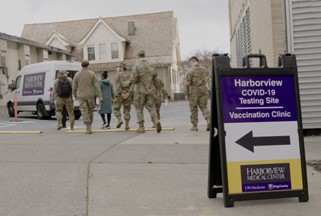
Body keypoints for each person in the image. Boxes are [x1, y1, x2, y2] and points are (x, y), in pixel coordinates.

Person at [131, 50, 161, 133]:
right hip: (150, 90)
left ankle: (141, 127)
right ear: (144, 56)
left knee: (139, 108)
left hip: (140, 91)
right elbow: (156, 79)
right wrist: (157, 90)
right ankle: (156, 121)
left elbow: (133, 79)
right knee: (152, 108)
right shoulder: (150, 66)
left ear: (138, 56)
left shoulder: (136, 66)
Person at [72, 60, 102, 134]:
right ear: (88, 65)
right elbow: (96, 85)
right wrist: (100, 95)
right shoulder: (92, 74)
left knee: (84, 111)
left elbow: (74, 86)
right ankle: (90, 127)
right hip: (90, 95)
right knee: (90, 111)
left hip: (81, 96)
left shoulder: (77, 74)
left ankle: (88, 127)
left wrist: (74, 94)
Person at [184, 56, 210, 131]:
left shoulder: (190, 71)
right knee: (204, 107)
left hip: (194, 93)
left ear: (191, 61)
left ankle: (194, 126)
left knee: (193, 109)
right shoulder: (205, 70)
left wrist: (186, 94)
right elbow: (208, 81)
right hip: (204, 91)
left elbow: (187, 84)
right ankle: (208, 120)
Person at [113, 63, 133, 130]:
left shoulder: (118, 75)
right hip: (128, 94)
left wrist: (121, 93)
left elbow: (117, 85)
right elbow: (132, 85)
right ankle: (127, 125)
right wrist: (128, 93)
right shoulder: (130, 75)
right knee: (127, 109)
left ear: (121, 67)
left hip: (119, 94)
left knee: (116, 108)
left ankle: (119, 120)